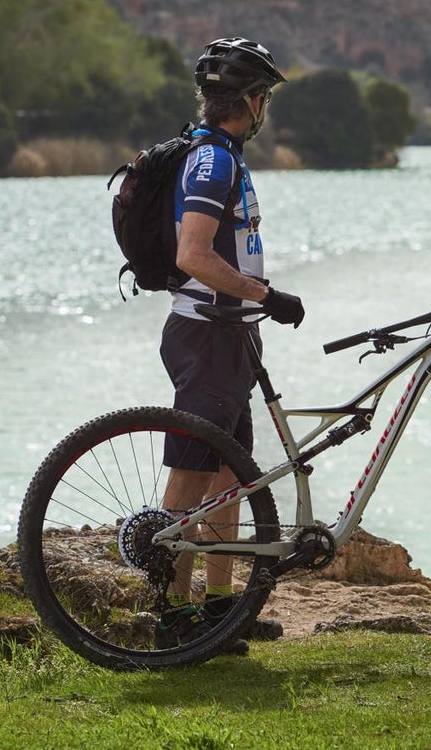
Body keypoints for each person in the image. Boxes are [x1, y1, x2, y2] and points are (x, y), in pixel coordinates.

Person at [155, 37, 304, 651]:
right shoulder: (214, 162)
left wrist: (254, 304)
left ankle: (220, 609)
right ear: (247, 101)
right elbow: (192, 255)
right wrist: (265, 295)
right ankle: (169, 615)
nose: (264, 107)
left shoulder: (224, 158)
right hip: (208, 336)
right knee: (192, 471)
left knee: (230, 477)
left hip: (231, 336)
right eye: (262, 96)